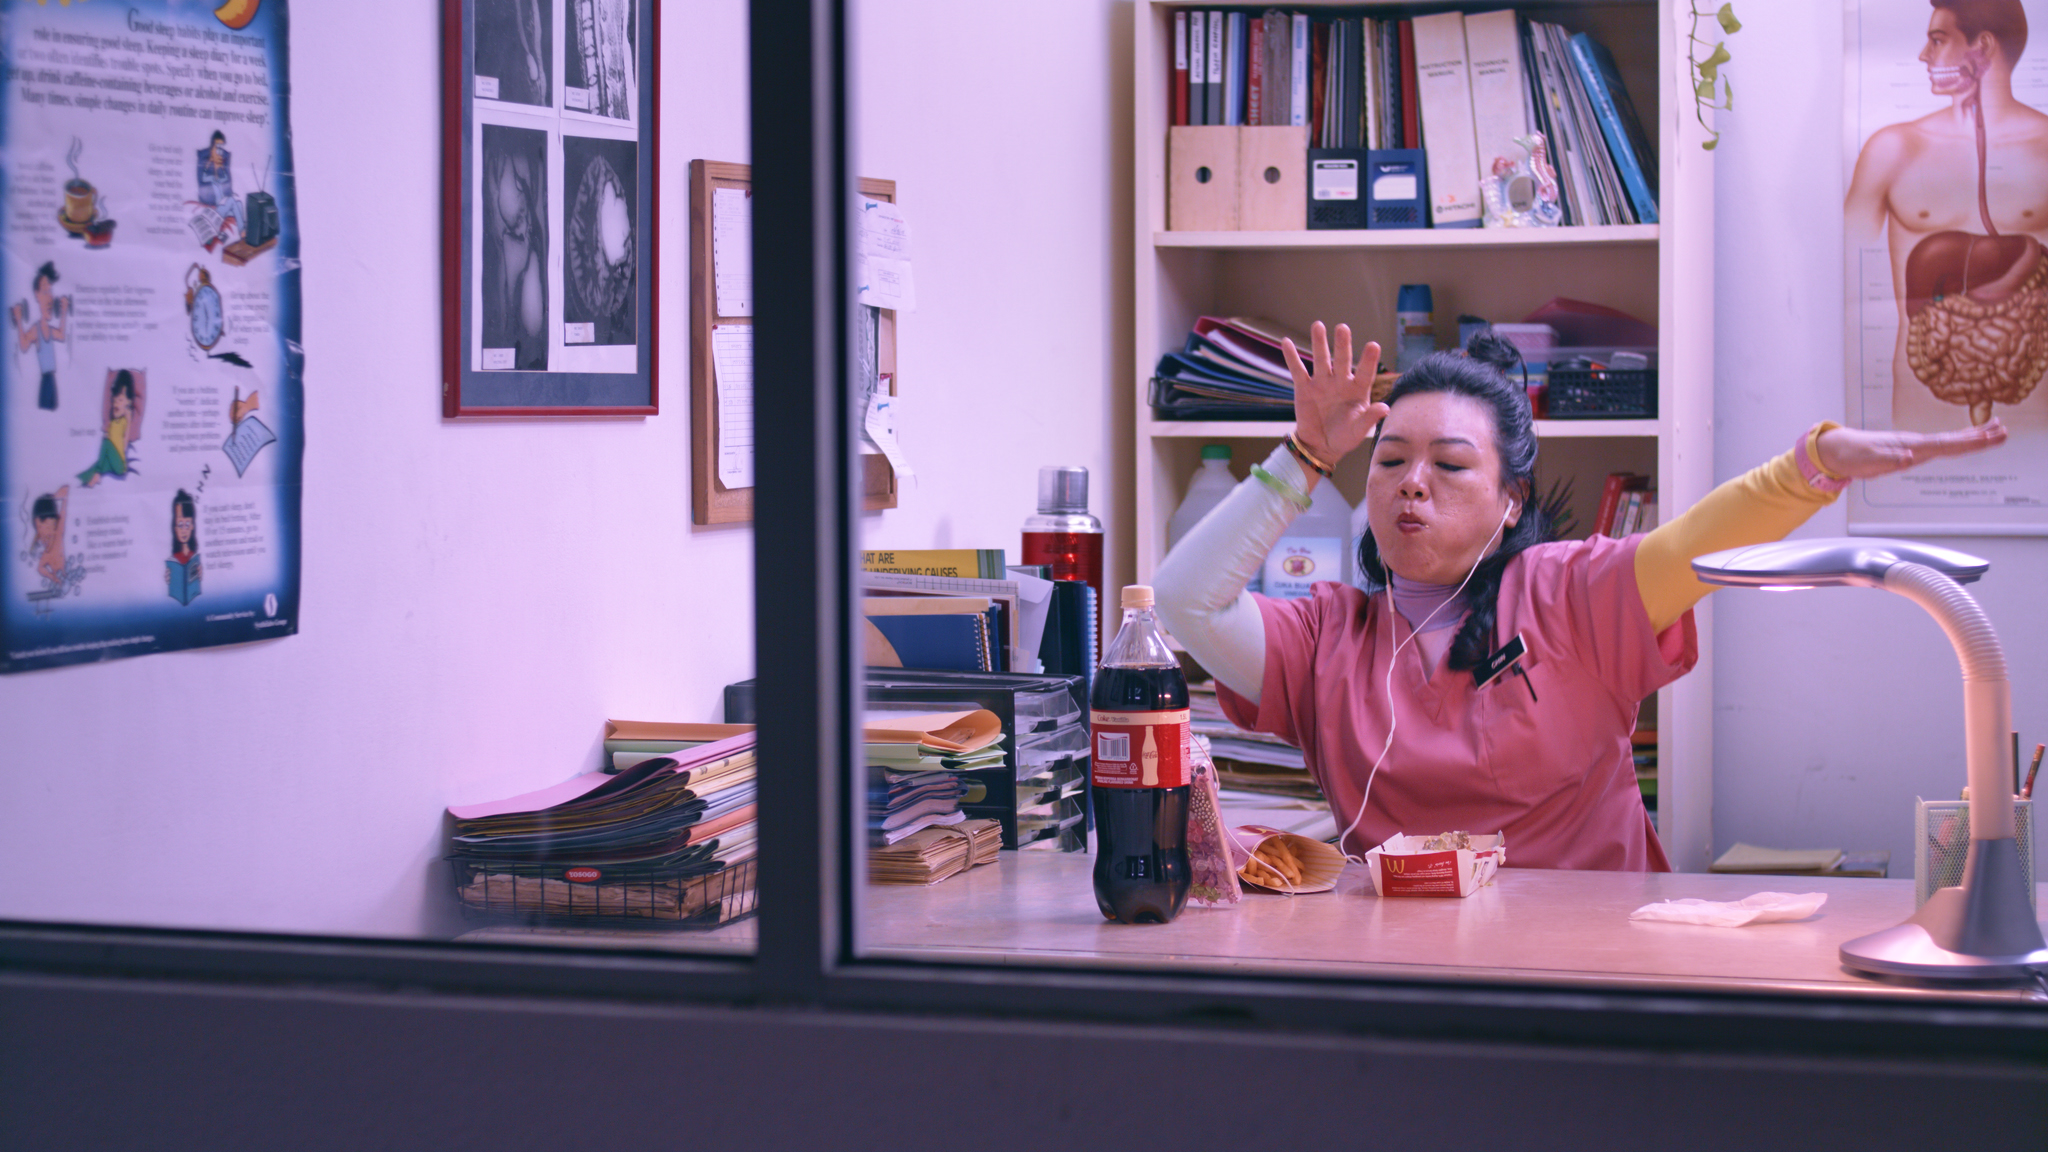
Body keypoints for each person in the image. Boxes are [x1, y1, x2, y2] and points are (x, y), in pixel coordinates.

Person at [1155, 323, 2008, 870]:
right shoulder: (1325, 633)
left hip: (1591, 962)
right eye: (1389, 461)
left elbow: (1695, 543)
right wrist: (1304, 453)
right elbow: (1183, 600)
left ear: (1512, 499)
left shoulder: (1568, 593)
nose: (1413, 485)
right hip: (1400, 973)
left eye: (1450, 465)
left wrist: (1811, 467)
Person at [1844, 0, 2048, 431]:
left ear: (1984, 46)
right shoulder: (1892, 149)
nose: (1924, 55)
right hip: (1922, 415)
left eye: (1938, 40)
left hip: (2032, 423)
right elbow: (1843, 270)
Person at [11, 262, 69, 411]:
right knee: (46, 411)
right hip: (46, 380)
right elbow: (24, 345)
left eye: (50, 291)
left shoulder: (49, 329)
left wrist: (63, 312)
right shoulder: (36, 330)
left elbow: (61, 336)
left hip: (52, 379)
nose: (50, 297)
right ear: (37, 295)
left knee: (53, 410)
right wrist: (18, 320)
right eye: (44, 291)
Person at [78, 370, 140, 487]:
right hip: (111, 460)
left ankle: (97, 475)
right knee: (91, 469)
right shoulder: (113, 422)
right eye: (114, 400)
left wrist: (128, 418)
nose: (116, 404)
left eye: (120, 400)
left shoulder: (125, 421)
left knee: (106, 441)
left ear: (129, 402)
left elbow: (124, 443)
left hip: (119, 465)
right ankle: (93, 476)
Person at [196, 130, 242, 251]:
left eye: (222, 146)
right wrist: (211, 163)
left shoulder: (222, 167)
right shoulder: (206, 165)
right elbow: (204, 179)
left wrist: (220, 168)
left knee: (238, 203)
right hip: (216, 209)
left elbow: (226, 179)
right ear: (212, 147)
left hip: (223, 206)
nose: (220, 150)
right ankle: (242, 232)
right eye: (217, 146)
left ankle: (241, 233)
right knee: (233, 201)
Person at [29, 486, 68, 586]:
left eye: (43, 525)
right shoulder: (46, 555)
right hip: (60, 581)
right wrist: (52, 577)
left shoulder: (58, 534)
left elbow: (66, 490)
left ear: (54, 522)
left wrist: (51, 499)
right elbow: (40, 568)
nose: (41, 533)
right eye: (38, 528)